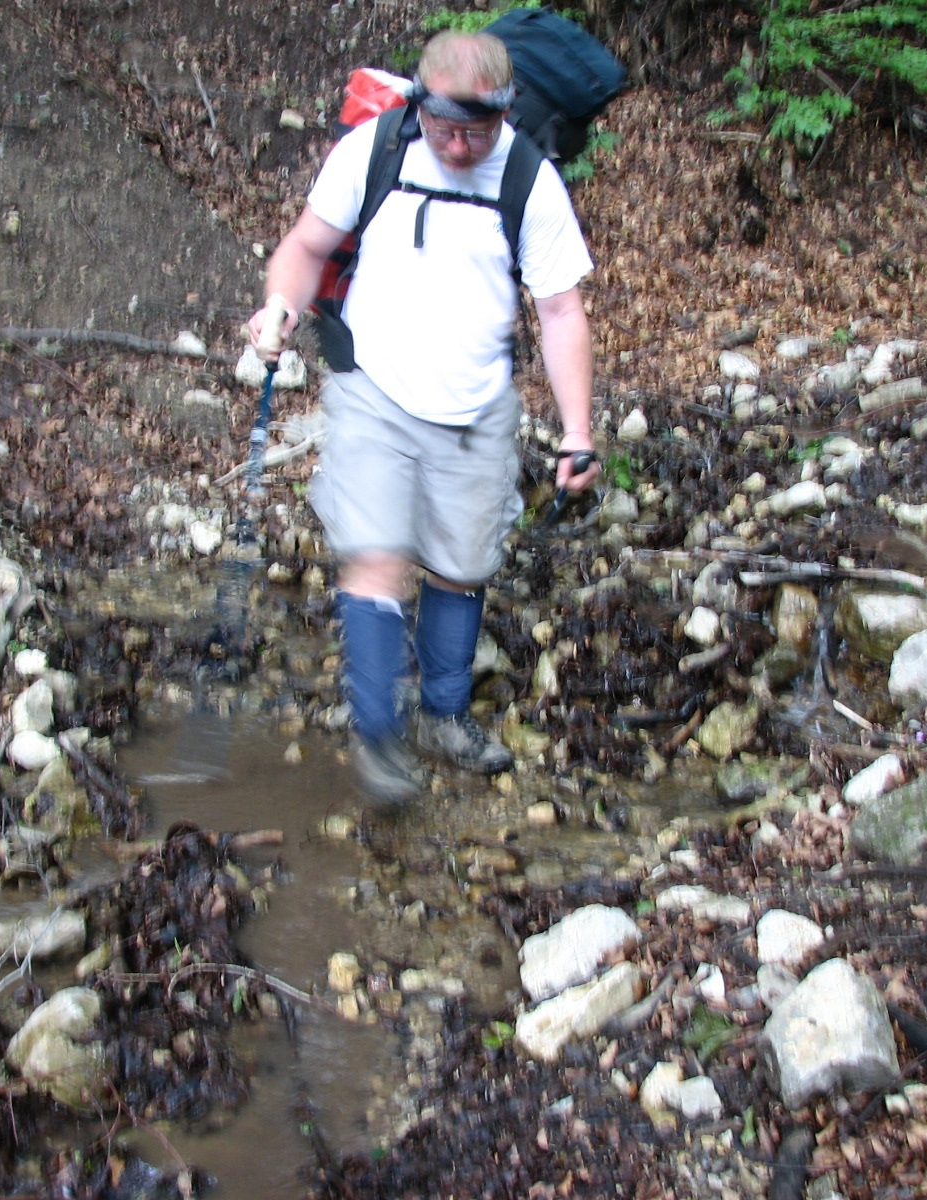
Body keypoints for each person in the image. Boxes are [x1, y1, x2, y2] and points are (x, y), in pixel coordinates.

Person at [247, 30, 598, 806]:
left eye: (479, 130)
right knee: (375, 556)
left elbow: (561, 312)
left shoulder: (531, 180)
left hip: (475, 406)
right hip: (374, 388)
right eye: (445, 127)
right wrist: (279, 307)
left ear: (505, 112)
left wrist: (577, 430)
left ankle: (444, 716)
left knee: (462, 567)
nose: (460, 145)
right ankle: (379, 737)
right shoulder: (374, 149)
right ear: (421, 105)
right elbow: (305, 247)